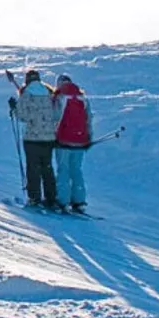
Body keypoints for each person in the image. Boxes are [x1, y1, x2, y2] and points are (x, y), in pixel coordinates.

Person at [12, 69, 60, 209]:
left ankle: (34, 198)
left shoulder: (27, 93)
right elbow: (57, 115)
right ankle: (51, 197)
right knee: (47, 168)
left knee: (33, 168)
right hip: (49, 138)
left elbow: (22, 116)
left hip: (32, 137)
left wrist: (14, 108)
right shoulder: (49, 92)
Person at [53, 74, 93, 214]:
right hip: (80, 140)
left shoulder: (59, 97)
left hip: (63, 140)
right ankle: (79, 200)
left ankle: (62, 200)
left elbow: (56, 117)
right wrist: (88, 138)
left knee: (63, 170)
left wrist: (53, 136)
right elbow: (88, 119)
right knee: (76, 170)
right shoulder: (83, 98)